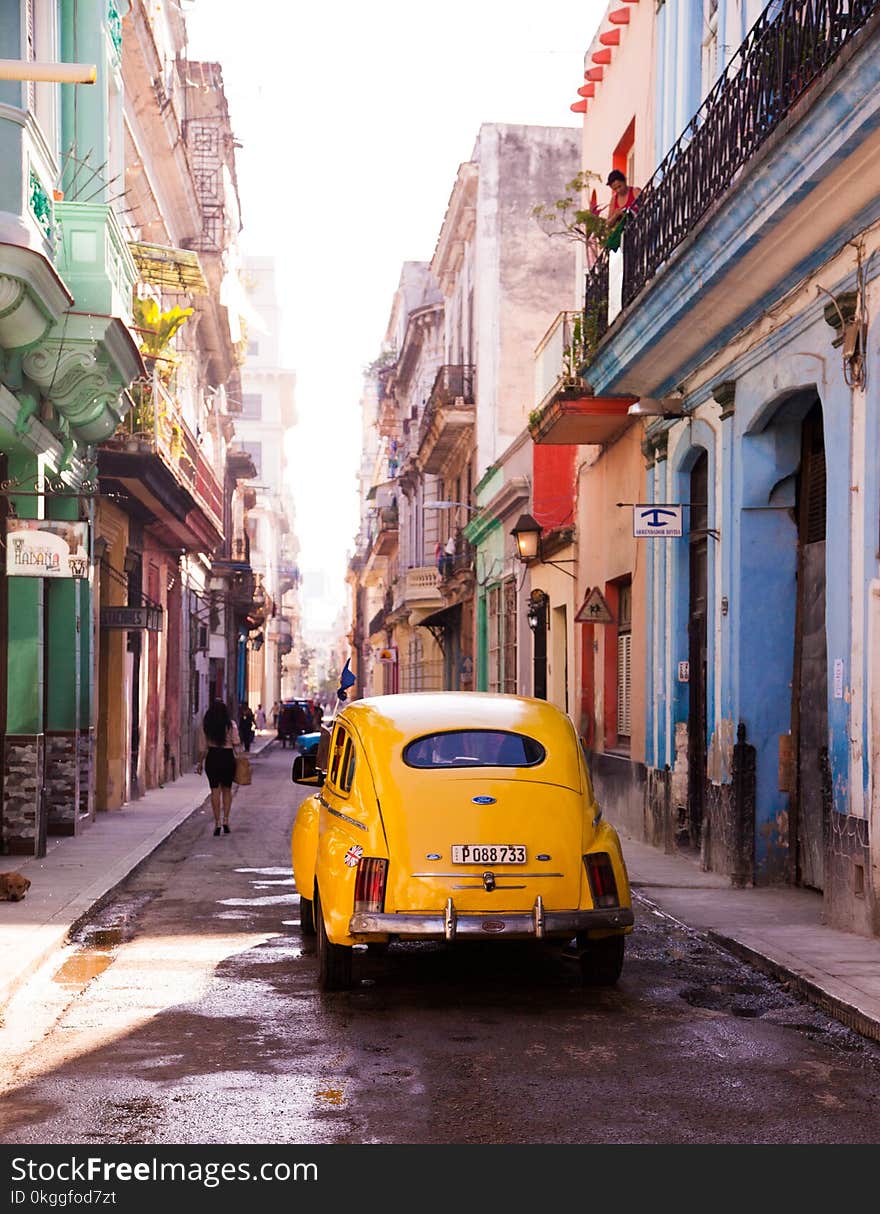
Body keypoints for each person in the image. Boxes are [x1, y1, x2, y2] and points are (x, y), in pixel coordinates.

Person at [196, 699, 241, 835]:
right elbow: (236, 743)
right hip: (227, 758)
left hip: (213, 758)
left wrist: (199, 763)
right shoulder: (230, 725)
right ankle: (226, 819)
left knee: (214, 791)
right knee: (227, 790)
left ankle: (217, 823)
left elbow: (203, 749)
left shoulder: (206, 726)